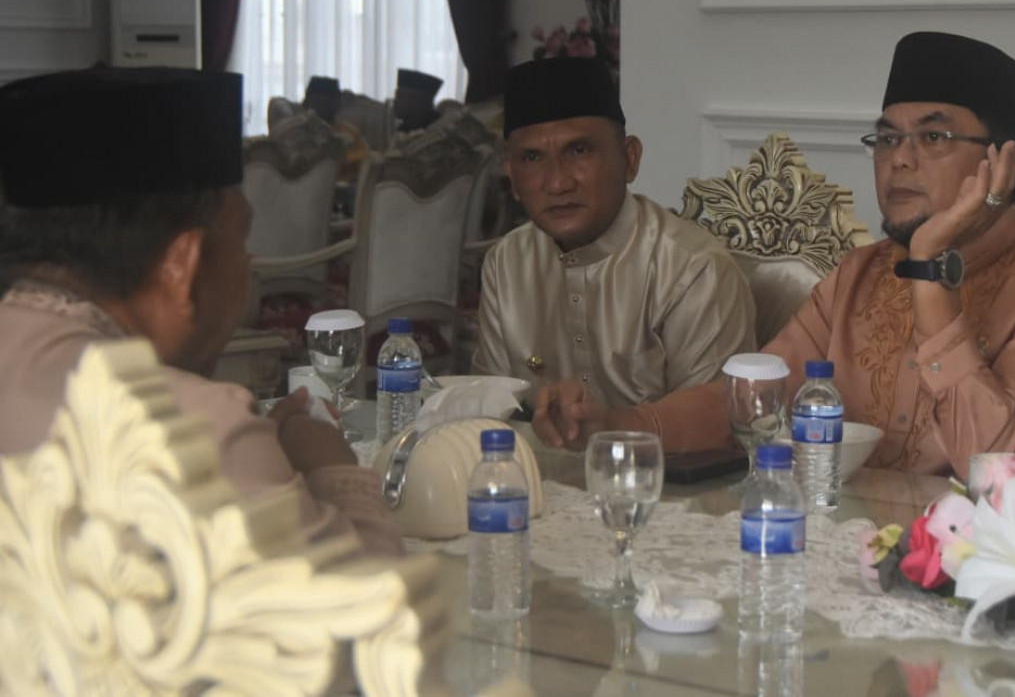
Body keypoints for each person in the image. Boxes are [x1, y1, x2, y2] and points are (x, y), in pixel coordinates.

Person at [545, 32, 1015, 478]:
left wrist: (930, 268)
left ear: (1004, 163)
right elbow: (755, 407)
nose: (899, 159)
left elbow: (1001, 469)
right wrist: (617, 426)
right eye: (886, 138)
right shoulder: (861, 274)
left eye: (933, 137)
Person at [0, 67, 402, 555]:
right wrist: (330, 467)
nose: (247, 263)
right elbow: (383, 615)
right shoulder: (201, 433)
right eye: (242, 240)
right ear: (182, 265)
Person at [472, 57, 757, 450]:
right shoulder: (505, 264)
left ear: (630, 159)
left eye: (580, 150)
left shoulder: (692, 269)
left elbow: (717, 430)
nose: (557, 182)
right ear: (513, 178)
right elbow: (490, 413)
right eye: (533, 158)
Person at [393, 68, 443, 132]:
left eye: (400, 96)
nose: (395, 101)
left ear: (418, 101)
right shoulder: (402, 129)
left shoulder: (437, 132)